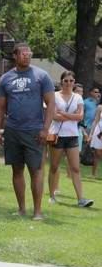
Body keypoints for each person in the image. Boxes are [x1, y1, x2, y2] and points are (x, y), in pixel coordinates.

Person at [0, 44, 55, 219]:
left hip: (34, 131)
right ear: (15, 56)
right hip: (13, 130)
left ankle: (37, 211)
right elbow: (0, 107)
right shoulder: (5, 78)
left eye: (29, 53)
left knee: (36, 170)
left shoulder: (41, 76)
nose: (27, 56)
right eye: (23, 54)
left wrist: (45, 128)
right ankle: (21, 209)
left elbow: (51, 103)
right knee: (17, 170)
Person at [47, 71, 93, 207]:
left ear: (74, 82)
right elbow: (54, 116)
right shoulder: (54, 96)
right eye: (66, 80)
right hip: (57, 135)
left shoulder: (77, 97)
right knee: (54, 167)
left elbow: (80, 117)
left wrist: (64, 114)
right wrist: (71, 116)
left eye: (71, 81)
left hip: (72, 135)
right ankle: (51, 196)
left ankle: (81, 199)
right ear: (61, 82)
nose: (68, 83)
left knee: (75, 168)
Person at [89, 102, 102, 178]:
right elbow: (95, 121)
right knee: (97, 153)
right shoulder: (100, 107)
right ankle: (93, 173)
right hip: (98, 132)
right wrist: (91, 134)